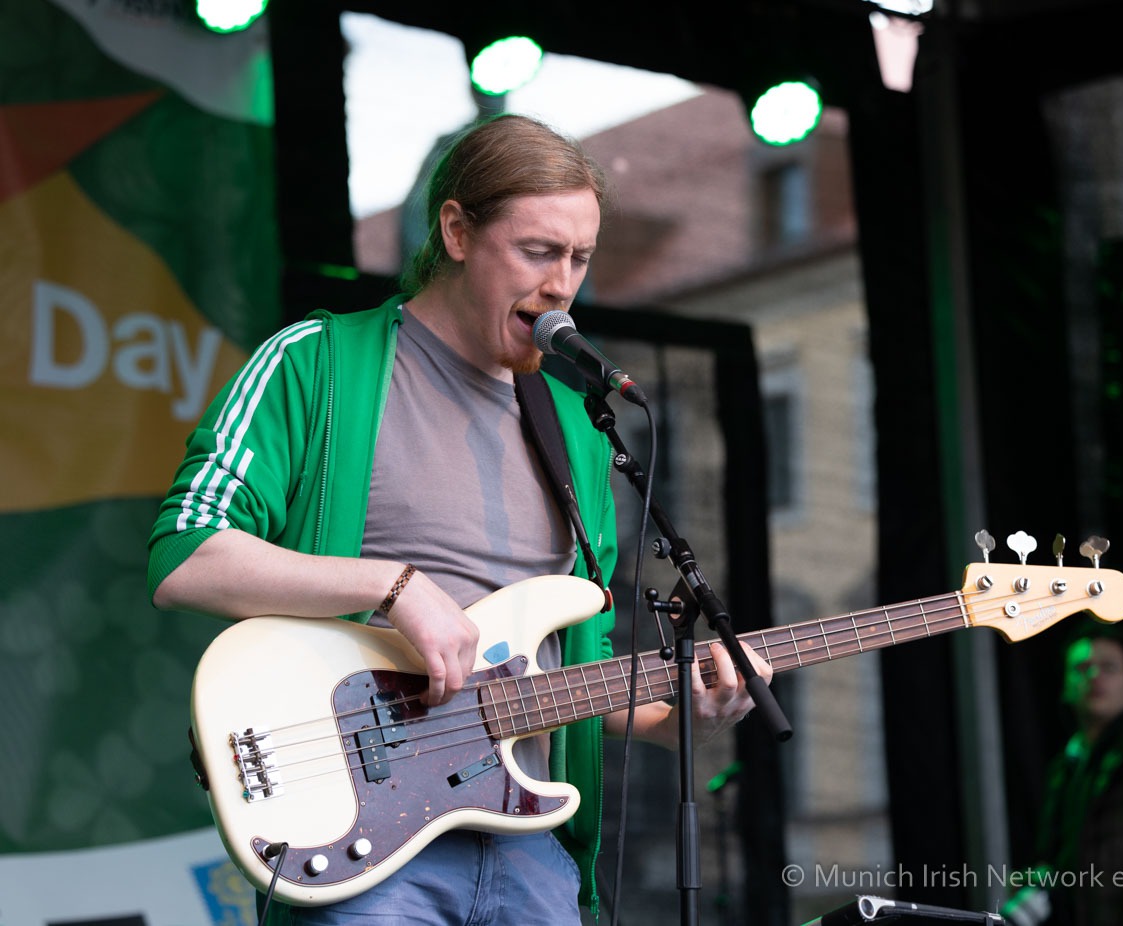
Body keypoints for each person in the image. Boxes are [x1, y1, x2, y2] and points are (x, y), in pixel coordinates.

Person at [147, 112, 770, 925]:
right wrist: (393, 585)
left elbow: (564, 669)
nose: (562, 284)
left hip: (529, 851)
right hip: (362, 846)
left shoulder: (580, 433)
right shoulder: (315, 363)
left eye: (580, 258)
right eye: (538, 251)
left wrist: (670, 718)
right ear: (456, 231)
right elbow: (186, 555)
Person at [1002, 625, 1123, 926]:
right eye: (1082, 668)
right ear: (1065, 687)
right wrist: (1038, 880)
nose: (1095, 676)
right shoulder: (1065, 767)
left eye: (1109, 667)